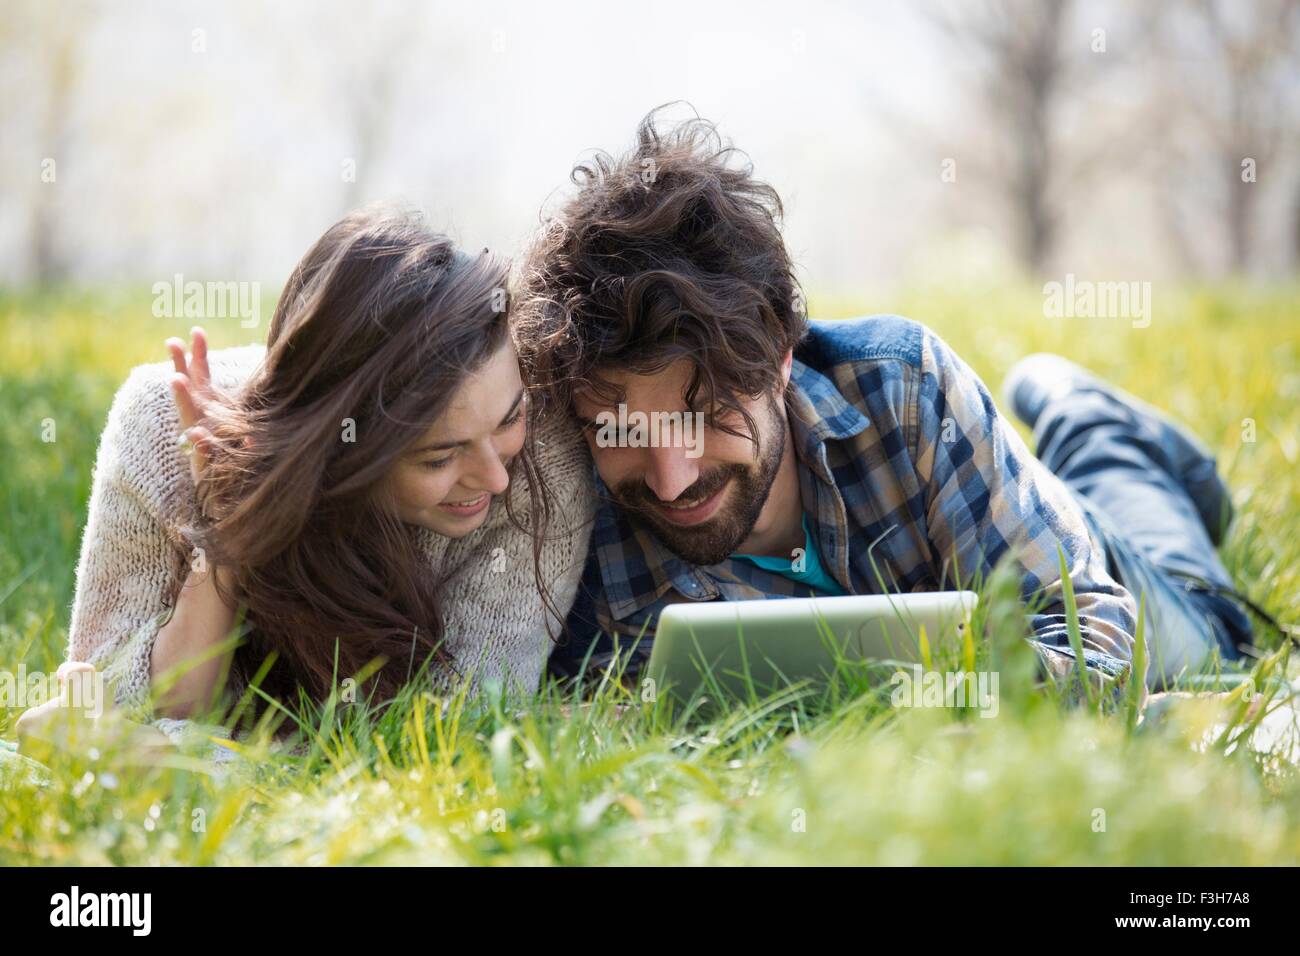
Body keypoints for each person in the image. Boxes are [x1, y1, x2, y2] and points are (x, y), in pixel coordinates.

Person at [512, 107, 1254, 707]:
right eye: (623, 429)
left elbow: (1095, 643)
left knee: (1216, 636)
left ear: (779, 359)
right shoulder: (580, 540)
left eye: (703, 416)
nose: (670, 480)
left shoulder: (903, 389)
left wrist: (905, 715)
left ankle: (1088, 423)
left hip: (1090, 551)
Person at [16, 206, 595, 759]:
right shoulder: (164, 423)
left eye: (508, 419)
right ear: (345, 447)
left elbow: (453, 736)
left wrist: (177, 765)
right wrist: (225, 539)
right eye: (438, 457)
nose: (494, 475)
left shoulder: (540, 462)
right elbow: (97, 707)